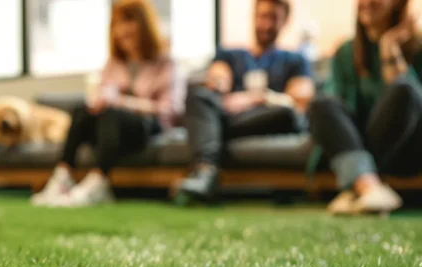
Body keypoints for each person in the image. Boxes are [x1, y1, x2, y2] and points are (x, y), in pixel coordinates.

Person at [32, 0, 184, 207]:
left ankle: (98, 181)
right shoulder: (113, 63)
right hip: (111, 128)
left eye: (128, 23)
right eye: (117, 24)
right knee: (81, 111)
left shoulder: (166, 62)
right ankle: (62, 177)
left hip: (147, 126)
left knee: (112, 113)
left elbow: (170, 109)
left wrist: (123, 101)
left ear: (144, 25)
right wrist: (98, 101)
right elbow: (101, 94)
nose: (122, 30)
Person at [177, 0, 315, 201]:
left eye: (274, 18)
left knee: (288, 114)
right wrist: (220, 88)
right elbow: (218, 80)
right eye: (263, 16)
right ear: (254, 16)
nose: (267, 24)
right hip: (233, 116)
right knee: (199, 96)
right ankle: (206, 171)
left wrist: (256, 98)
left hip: (268, 118)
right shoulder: (230, 54)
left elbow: (299, 102)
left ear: (285, 21)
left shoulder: (295, 60)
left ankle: (209, 132)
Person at [308, 0, 422, 215]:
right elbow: (335, 114)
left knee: (404, 88)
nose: (367, 2)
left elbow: (411, 101)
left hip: (405, 148)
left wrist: (390, 48)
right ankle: (369, 186)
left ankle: (357, 186)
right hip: (354, 140)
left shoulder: (418, 46)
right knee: (321, 103)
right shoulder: (345, 52)